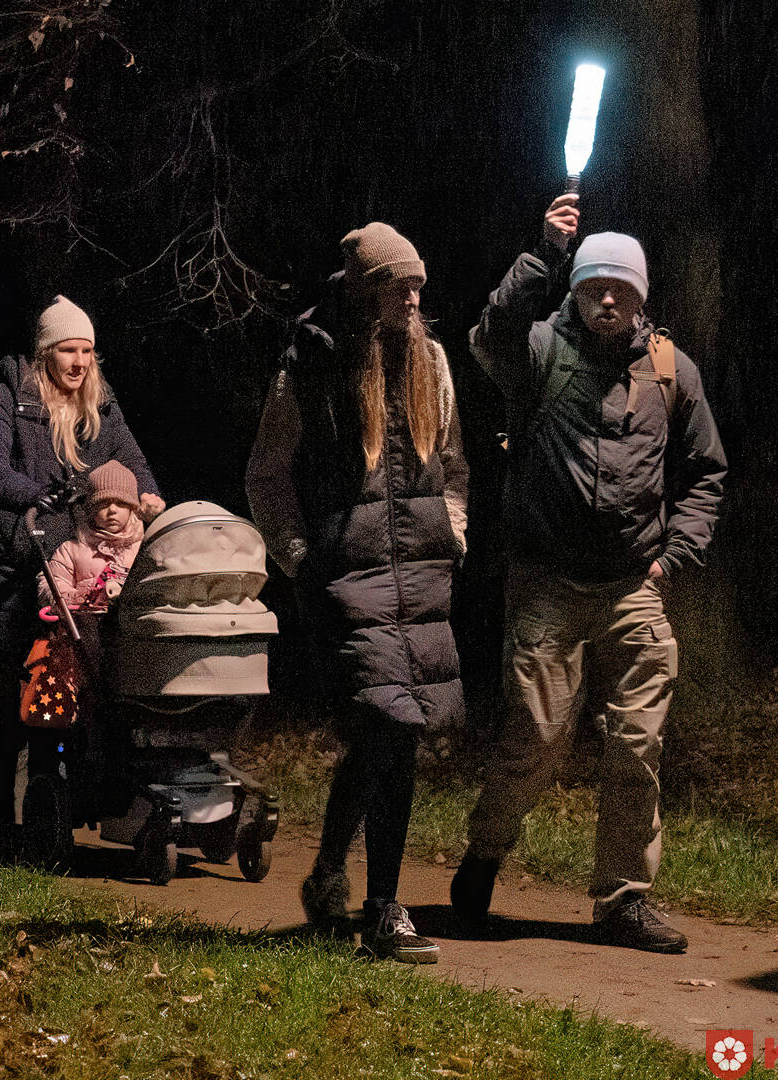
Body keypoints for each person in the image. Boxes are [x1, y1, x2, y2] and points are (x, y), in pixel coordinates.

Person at [450, 195, 726, 954]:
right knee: (537, 738)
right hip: (549, 582)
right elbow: (489, 335)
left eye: (621, 289)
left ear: (640, 296)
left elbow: (705, 473)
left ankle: (624, 900)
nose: (608, 300)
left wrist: (676, 556)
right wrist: (543, 254)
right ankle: (485, 854)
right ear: (575, 291)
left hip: (635, 584)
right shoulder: (539, 351)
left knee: (638, 746)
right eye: (594, 287)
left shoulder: (671, 371)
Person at [245, 223, 468, 963]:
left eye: (419, 287)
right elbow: (268, 473)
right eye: (401, 287)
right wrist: (300, 559)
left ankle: (335, 872)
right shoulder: (314, 363)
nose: (414, 300)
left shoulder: (431, 360)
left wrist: (453, 533)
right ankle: (382, 910)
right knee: (386, 727)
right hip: (348, 579)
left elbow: (454, 463)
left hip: (421, 574)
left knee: (388, 730)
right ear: (368, 291)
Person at [0, 295, 164, 845]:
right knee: (20, 683)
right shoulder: (9, 396)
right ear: (45, 353)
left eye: (86, 351)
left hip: (81, 560)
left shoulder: (102, 404)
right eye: (67, 350)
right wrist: (37, 495)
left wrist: (149, 495)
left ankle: (57, 792)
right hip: (22, 558)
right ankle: (2, 779)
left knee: (76, 679)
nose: (79, 362)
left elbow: (133, 462)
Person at [38, 459, 145, 616]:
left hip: (133, 626)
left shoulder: (144, 549)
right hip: (86, 625)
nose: (112, 510)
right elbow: (51, 585)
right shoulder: (71, 550)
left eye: (120, 503)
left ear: (131, 509)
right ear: (92, 509)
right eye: (104, 503)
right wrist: (89, 596)